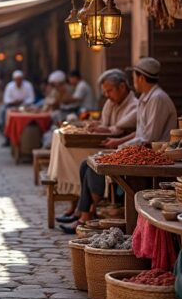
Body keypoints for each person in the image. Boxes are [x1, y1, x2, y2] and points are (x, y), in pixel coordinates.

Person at [55, 69, 138, 231]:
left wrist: (104, 129)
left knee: (94, 166)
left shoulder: (134, 106)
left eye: (109, 91)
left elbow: (117, 129)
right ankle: (82, 211)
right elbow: (105, 124)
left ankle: (85, 215)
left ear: (122, 87)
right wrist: (97, 125)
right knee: (85, 164)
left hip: (127, 150)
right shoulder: (111, 103)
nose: (107, 95)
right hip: (114, 146)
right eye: (105, 92)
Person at [103, 57, 177, 149]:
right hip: (143, 151)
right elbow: (140, 134)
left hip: (156, 154)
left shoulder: (157, 98)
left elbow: (149, 139)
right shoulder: (144, 97)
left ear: (141, 78)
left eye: (134, 77)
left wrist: (121, 147)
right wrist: (120, 144)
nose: (133, 81)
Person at [1, 70, 36, 147]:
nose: (18, 81)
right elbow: (6, 99)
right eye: (17, 80)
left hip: (26, 106)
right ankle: (7, 137)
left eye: (20, 79)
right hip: (12, 106)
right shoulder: (9, 86)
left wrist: (23, 102)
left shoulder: (28, 85)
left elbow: (31, 98)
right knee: (4, 114)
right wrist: (14, 102)